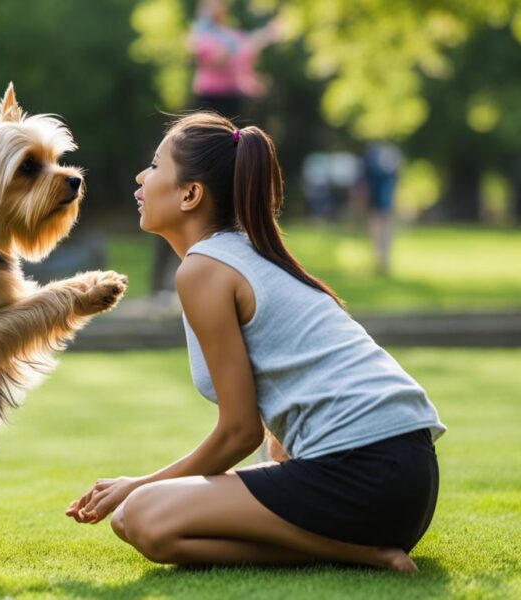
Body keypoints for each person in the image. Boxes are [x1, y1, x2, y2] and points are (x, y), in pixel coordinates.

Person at [66, 113, 446, 572]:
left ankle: (358, 552)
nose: (140, 177)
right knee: (135, 518)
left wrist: (139, 482)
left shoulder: (205, 269)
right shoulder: (247, 254)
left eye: (154, 165)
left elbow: (239, 431)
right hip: (407, 481)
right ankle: (362, 546)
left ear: (190, 194)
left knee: (142, 513)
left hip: (366, 475)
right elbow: (275, 424)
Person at [150, 0, 282, 299]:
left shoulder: (231, 34)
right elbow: (219, 60)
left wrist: (263, 45)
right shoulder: (201, 34)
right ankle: (161, 286)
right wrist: (256, 38)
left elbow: (242, 65)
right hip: (208, 105)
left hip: (234, 106)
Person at [362, 142, 402, 275]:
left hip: (382, 204)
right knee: (381, 232)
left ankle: (382, 260)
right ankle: (381, 260)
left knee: (382, 232)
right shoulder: (377, 156)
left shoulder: (376, 156)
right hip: (378, 203)